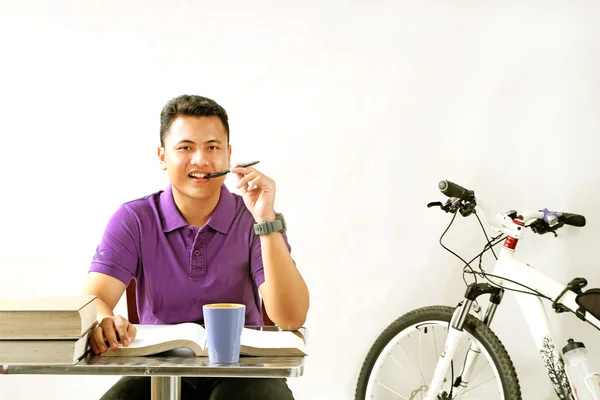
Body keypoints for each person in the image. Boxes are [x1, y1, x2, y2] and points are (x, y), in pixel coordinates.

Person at [82, 94, 310, 400]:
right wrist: (104, 319)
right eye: (185, 147)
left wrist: (266, 220)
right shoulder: (134, 219)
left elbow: (291, 318)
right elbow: (93, 298)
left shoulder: (252, 219)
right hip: (157, 369)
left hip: (244, 371)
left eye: (213, 147)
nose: (200, 160)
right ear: (162, 156)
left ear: (228, 156)